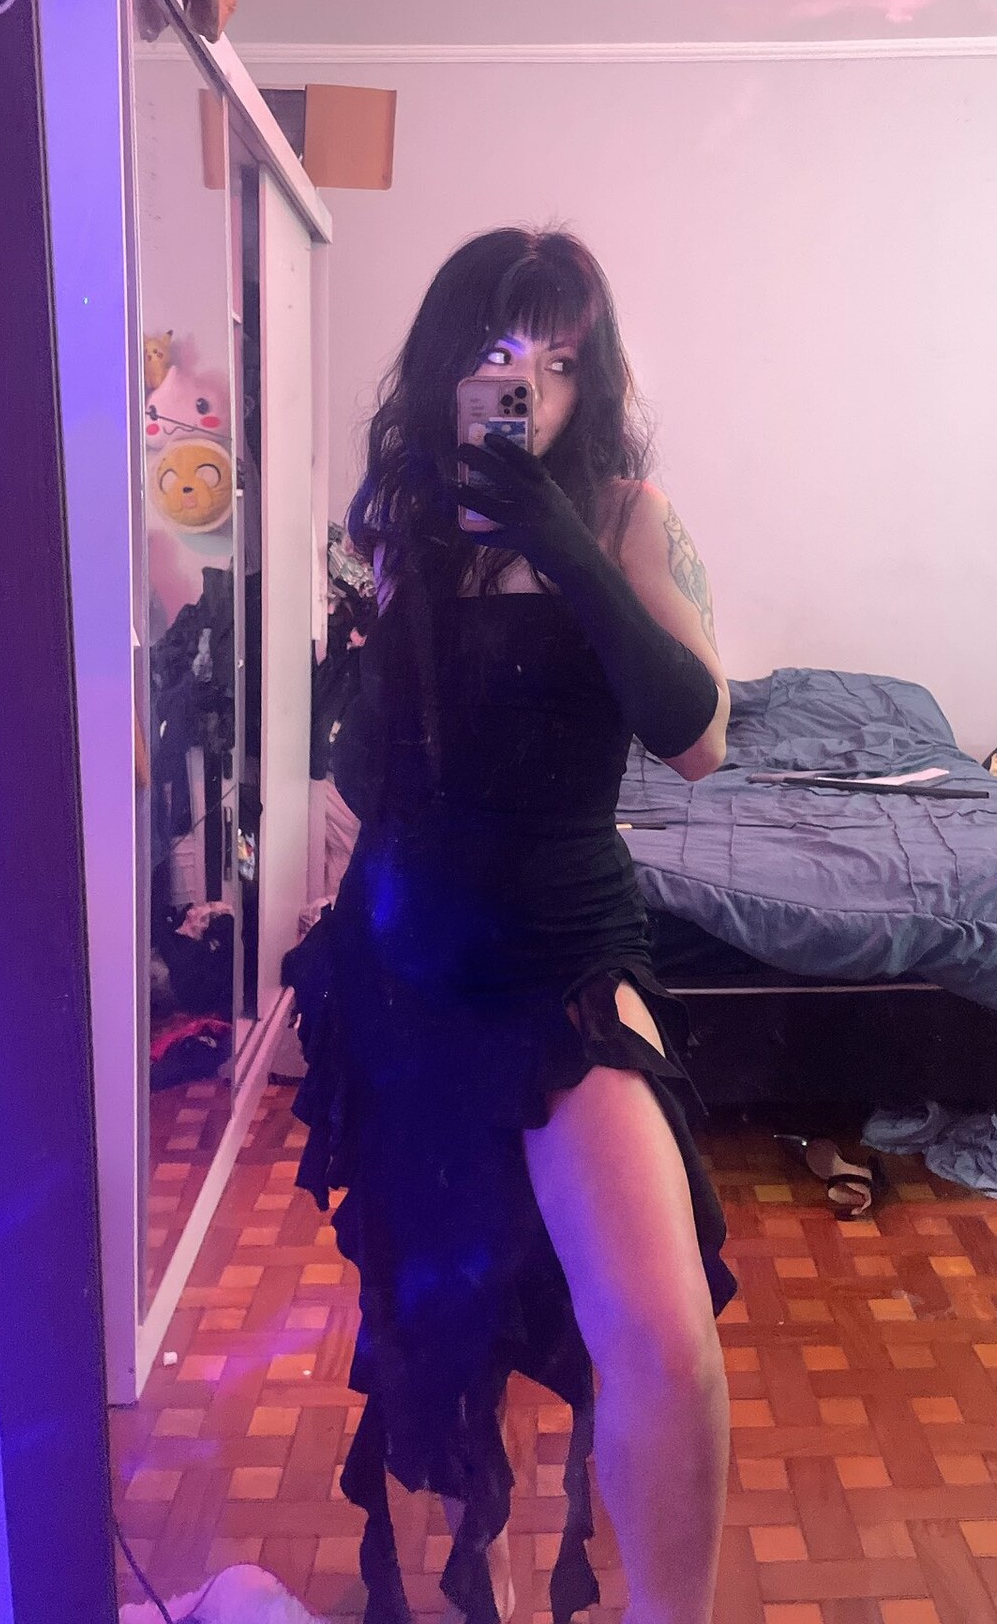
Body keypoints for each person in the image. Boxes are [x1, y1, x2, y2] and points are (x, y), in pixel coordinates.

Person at [289, 227, 739, 1624]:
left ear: (591, 380)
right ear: (448, 369)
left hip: (565, 961)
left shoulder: (628, 515)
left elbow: (698, 737)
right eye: (501, 352)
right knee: (442, 1323)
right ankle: (463, 1591)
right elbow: (371, 767)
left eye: (561, 358)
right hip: (413, 970)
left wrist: (561, 543)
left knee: (663, 1333)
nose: (529, 383)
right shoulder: (398, 529)